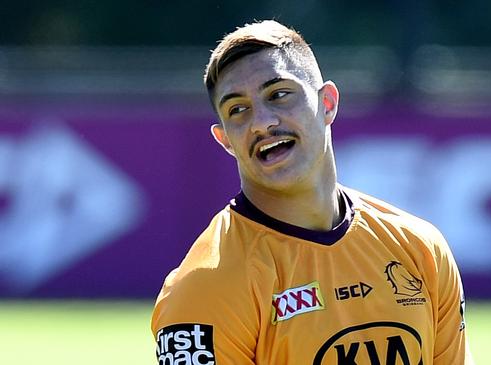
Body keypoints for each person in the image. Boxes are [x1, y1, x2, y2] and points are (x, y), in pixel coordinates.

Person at [151, 20, 473, 364]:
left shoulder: (419, 247)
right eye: (238, 110)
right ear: (225, 140)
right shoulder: (205, 288)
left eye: (278, 95)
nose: (262, 122)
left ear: (328, 103)